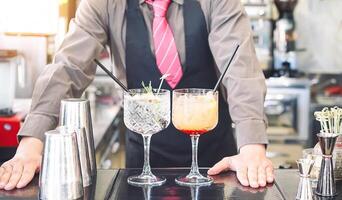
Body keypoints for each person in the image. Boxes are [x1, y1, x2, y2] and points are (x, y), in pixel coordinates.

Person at [0, 0, 274, 191]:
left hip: (215, 162)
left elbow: (240, 69)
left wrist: (251, 150)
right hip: (143, 162)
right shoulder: (103, 3)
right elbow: (68, 68)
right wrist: (31, 146)